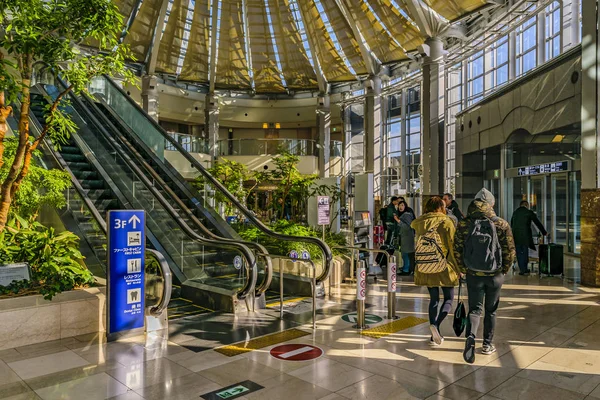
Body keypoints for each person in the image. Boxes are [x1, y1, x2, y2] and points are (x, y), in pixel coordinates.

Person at [454, 188, 516, 364]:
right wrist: (504, 269)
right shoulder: (501, 224)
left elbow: (456, 248)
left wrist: (462, 268)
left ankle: (471, 338)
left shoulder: (464, 223)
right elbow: (510, 251)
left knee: (475, 309)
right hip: (495, 275)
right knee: (491, 310)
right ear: (491, 204)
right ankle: (487, 344)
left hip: (473, 274)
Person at [412, 196, 461, 346]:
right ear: (441, 207)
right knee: (448, 298)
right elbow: (453, 246)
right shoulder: (446, 222)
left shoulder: (419, 223)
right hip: (445, 265)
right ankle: (436, 326)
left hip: (426, 265)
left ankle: (434, 333)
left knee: (434, 299)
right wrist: (459, 268)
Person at [511, 200, 547, 276]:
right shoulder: (529, 212)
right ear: (526, 205)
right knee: (524, 251)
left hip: (516, 235)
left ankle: (522, 269)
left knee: (519, 252)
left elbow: (512, 224)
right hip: (525, 236)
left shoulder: (515, 212)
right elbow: (537, 223)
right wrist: (544, 232)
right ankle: (525, 269)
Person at [397, 201, 415, 275]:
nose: (400, 207)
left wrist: (398, 221)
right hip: (405, 236)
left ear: (405, 206)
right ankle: (406, 268)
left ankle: (406, 270)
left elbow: (408, 227)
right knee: (405, 253)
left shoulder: (406, 215)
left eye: (402, 205)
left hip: (407, 237)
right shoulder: (403, 214)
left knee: (406, 253)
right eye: (399, 205)